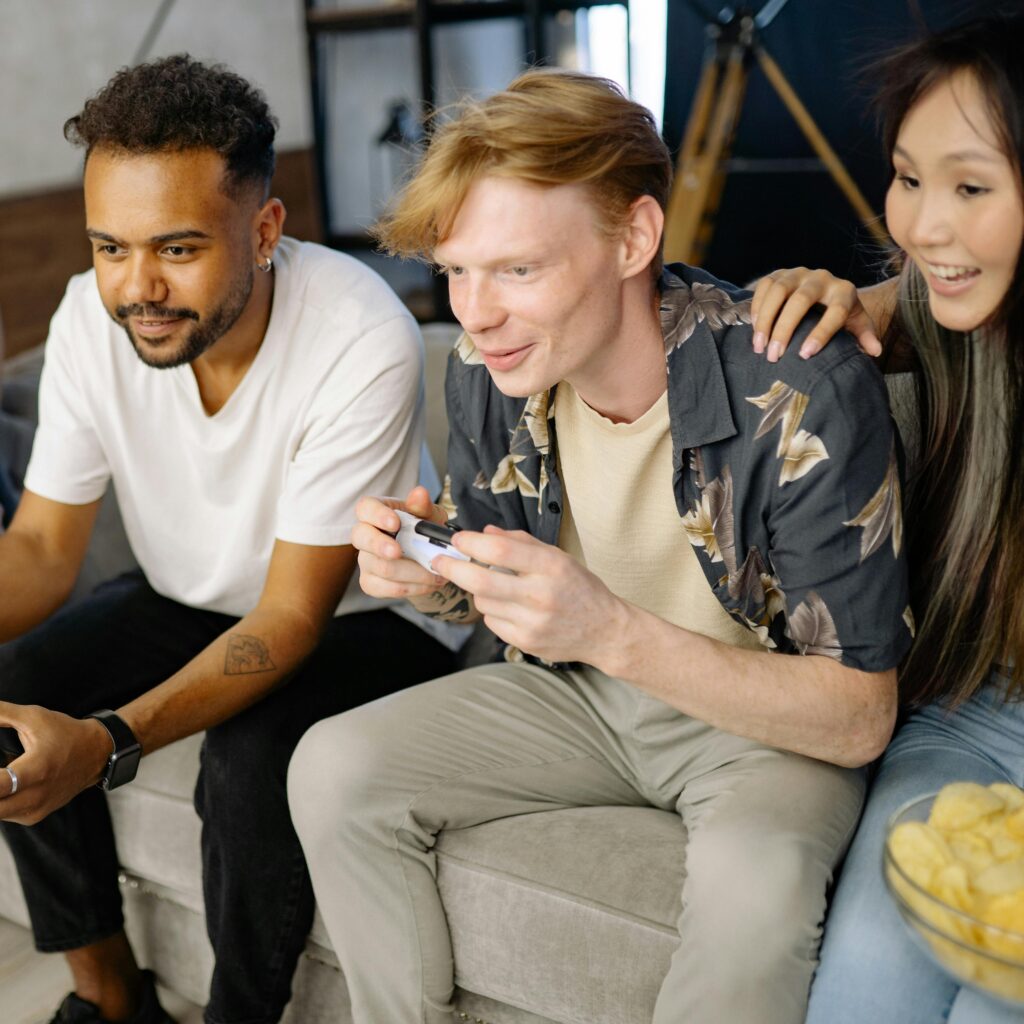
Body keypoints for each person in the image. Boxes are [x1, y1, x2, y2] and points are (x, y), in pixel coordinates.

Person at [286, 68, 914, 1024]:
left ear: (634, 237)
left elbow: (861, 715)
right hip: (580, 697)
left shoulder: (798, 385)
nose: (474, 312)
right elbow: (514, 574)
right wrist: (433, 573)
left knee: (755, 888)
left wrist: (609, 631)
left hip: (762, 723)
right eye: (456, 270)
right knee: (330, 766)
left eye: (517, 269)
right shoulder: (486, 371)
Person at [0, 55, 458, 1024]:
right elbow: (41, 549)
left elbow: (292, 616)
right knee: (20, 683)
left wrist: (108, 739)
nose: (137, 288)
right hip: (187, 595)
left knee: (246, 762)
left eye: (175, 248)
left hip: (365, 618)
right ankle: (111, 999)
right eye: (110, 248)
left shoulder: (357, 331)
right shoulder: (90, 314)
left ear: (264, 228)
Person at [747, 13, 1024, 1023]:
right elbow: (877, 306)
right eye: (910, 178)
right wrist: (818, 300)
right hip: (968, 714)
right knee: (870, 962)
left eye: (970, 186)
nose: (924, 225)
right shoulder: (952, 305)